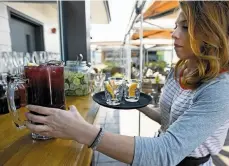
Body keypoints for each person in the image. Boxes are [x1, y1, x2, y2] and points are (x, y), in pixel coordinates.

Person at [25, 1, 229, 166]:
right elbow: (168, 120)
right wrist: (135, 104)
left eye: (185, 27)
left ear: (211, 34)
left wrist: (80, 131)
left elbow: (167, 153)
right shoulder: (180, 69)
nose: (174, 33)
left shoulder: (220, 89)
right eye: (176, 25)